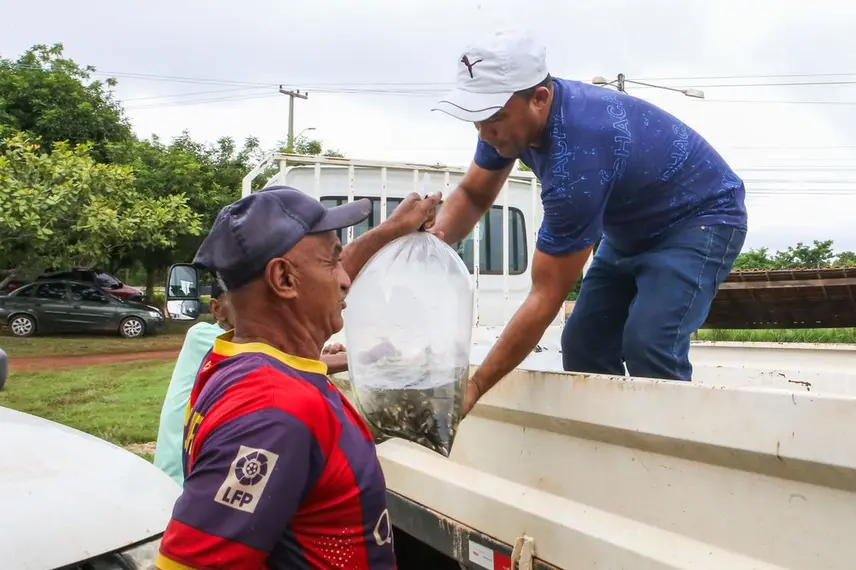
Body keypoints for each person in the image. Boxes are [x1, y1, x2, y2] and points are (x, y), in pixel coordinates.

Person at [430, 29, 748, 414]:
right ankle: (616, 448)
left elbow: (546, 294)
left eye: (493, 117)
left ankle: (673, 461)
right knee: (584, 344)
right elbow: (474, 194)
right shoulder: (505, 124)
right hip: (628, 229)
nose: (483, 131)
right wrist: (430, 243)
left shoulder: (578, 158)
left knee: (649, 344)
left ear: (539, 98)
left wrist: (476, 385)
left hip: (700, 218)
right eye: (476, 118)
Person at [156, 186, 439, 570]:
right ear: (284, 279)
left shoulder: (235, 358)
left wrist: (391, 230)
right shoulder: (275, 410)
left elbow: (310, 278)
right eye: (332, 262)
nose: (345, 280)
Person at [153, 283, 350, 487]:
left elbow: (287, 357)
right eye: (242, 298)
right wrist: (356, 360)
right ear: (216, 309)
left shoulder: (246, 345)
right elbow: (285, 361)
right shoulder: (202, 335)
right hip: (179, 475)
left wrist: (322, 354)